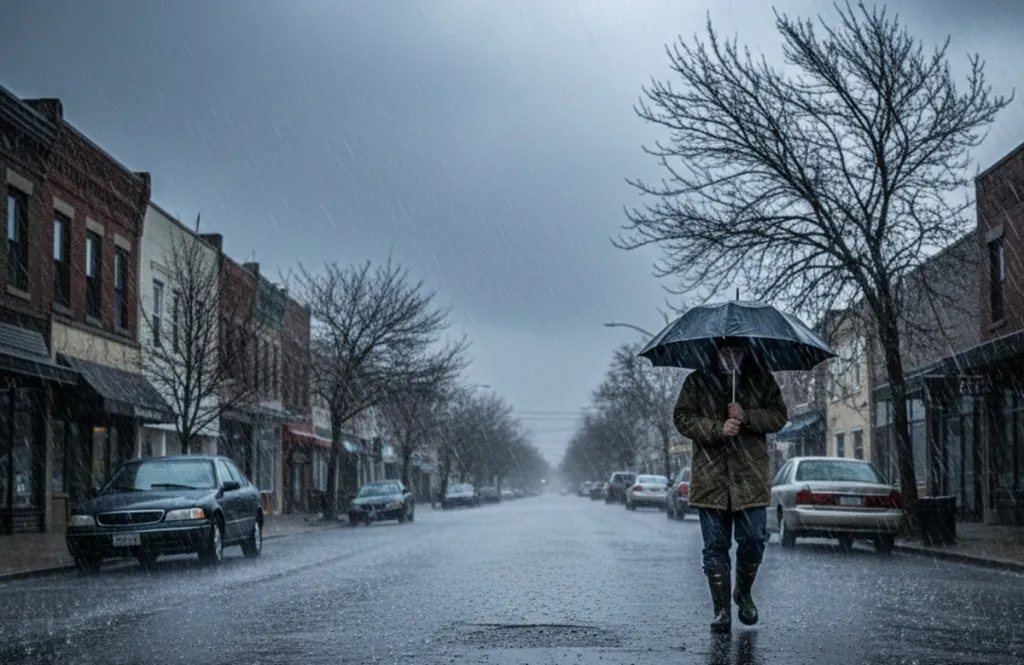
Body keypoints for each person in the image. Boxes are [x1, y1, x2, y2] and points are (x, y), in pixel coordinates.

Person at [673, 336, 788, 632]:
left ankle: (743, 592)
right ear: (717, 352)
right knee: (715, 547)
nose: (731, 356)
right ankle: (721, 611)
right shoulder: (698, 381)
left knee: (753, 539)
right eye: (726, 351)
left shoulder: (761, 379)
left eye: (737, 351)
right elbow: (682, 417)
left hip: (749, 477)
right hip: (710, 478)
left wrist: (746, 415)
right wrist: (716, 428)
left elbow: (779, 416)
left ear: (745, 352)